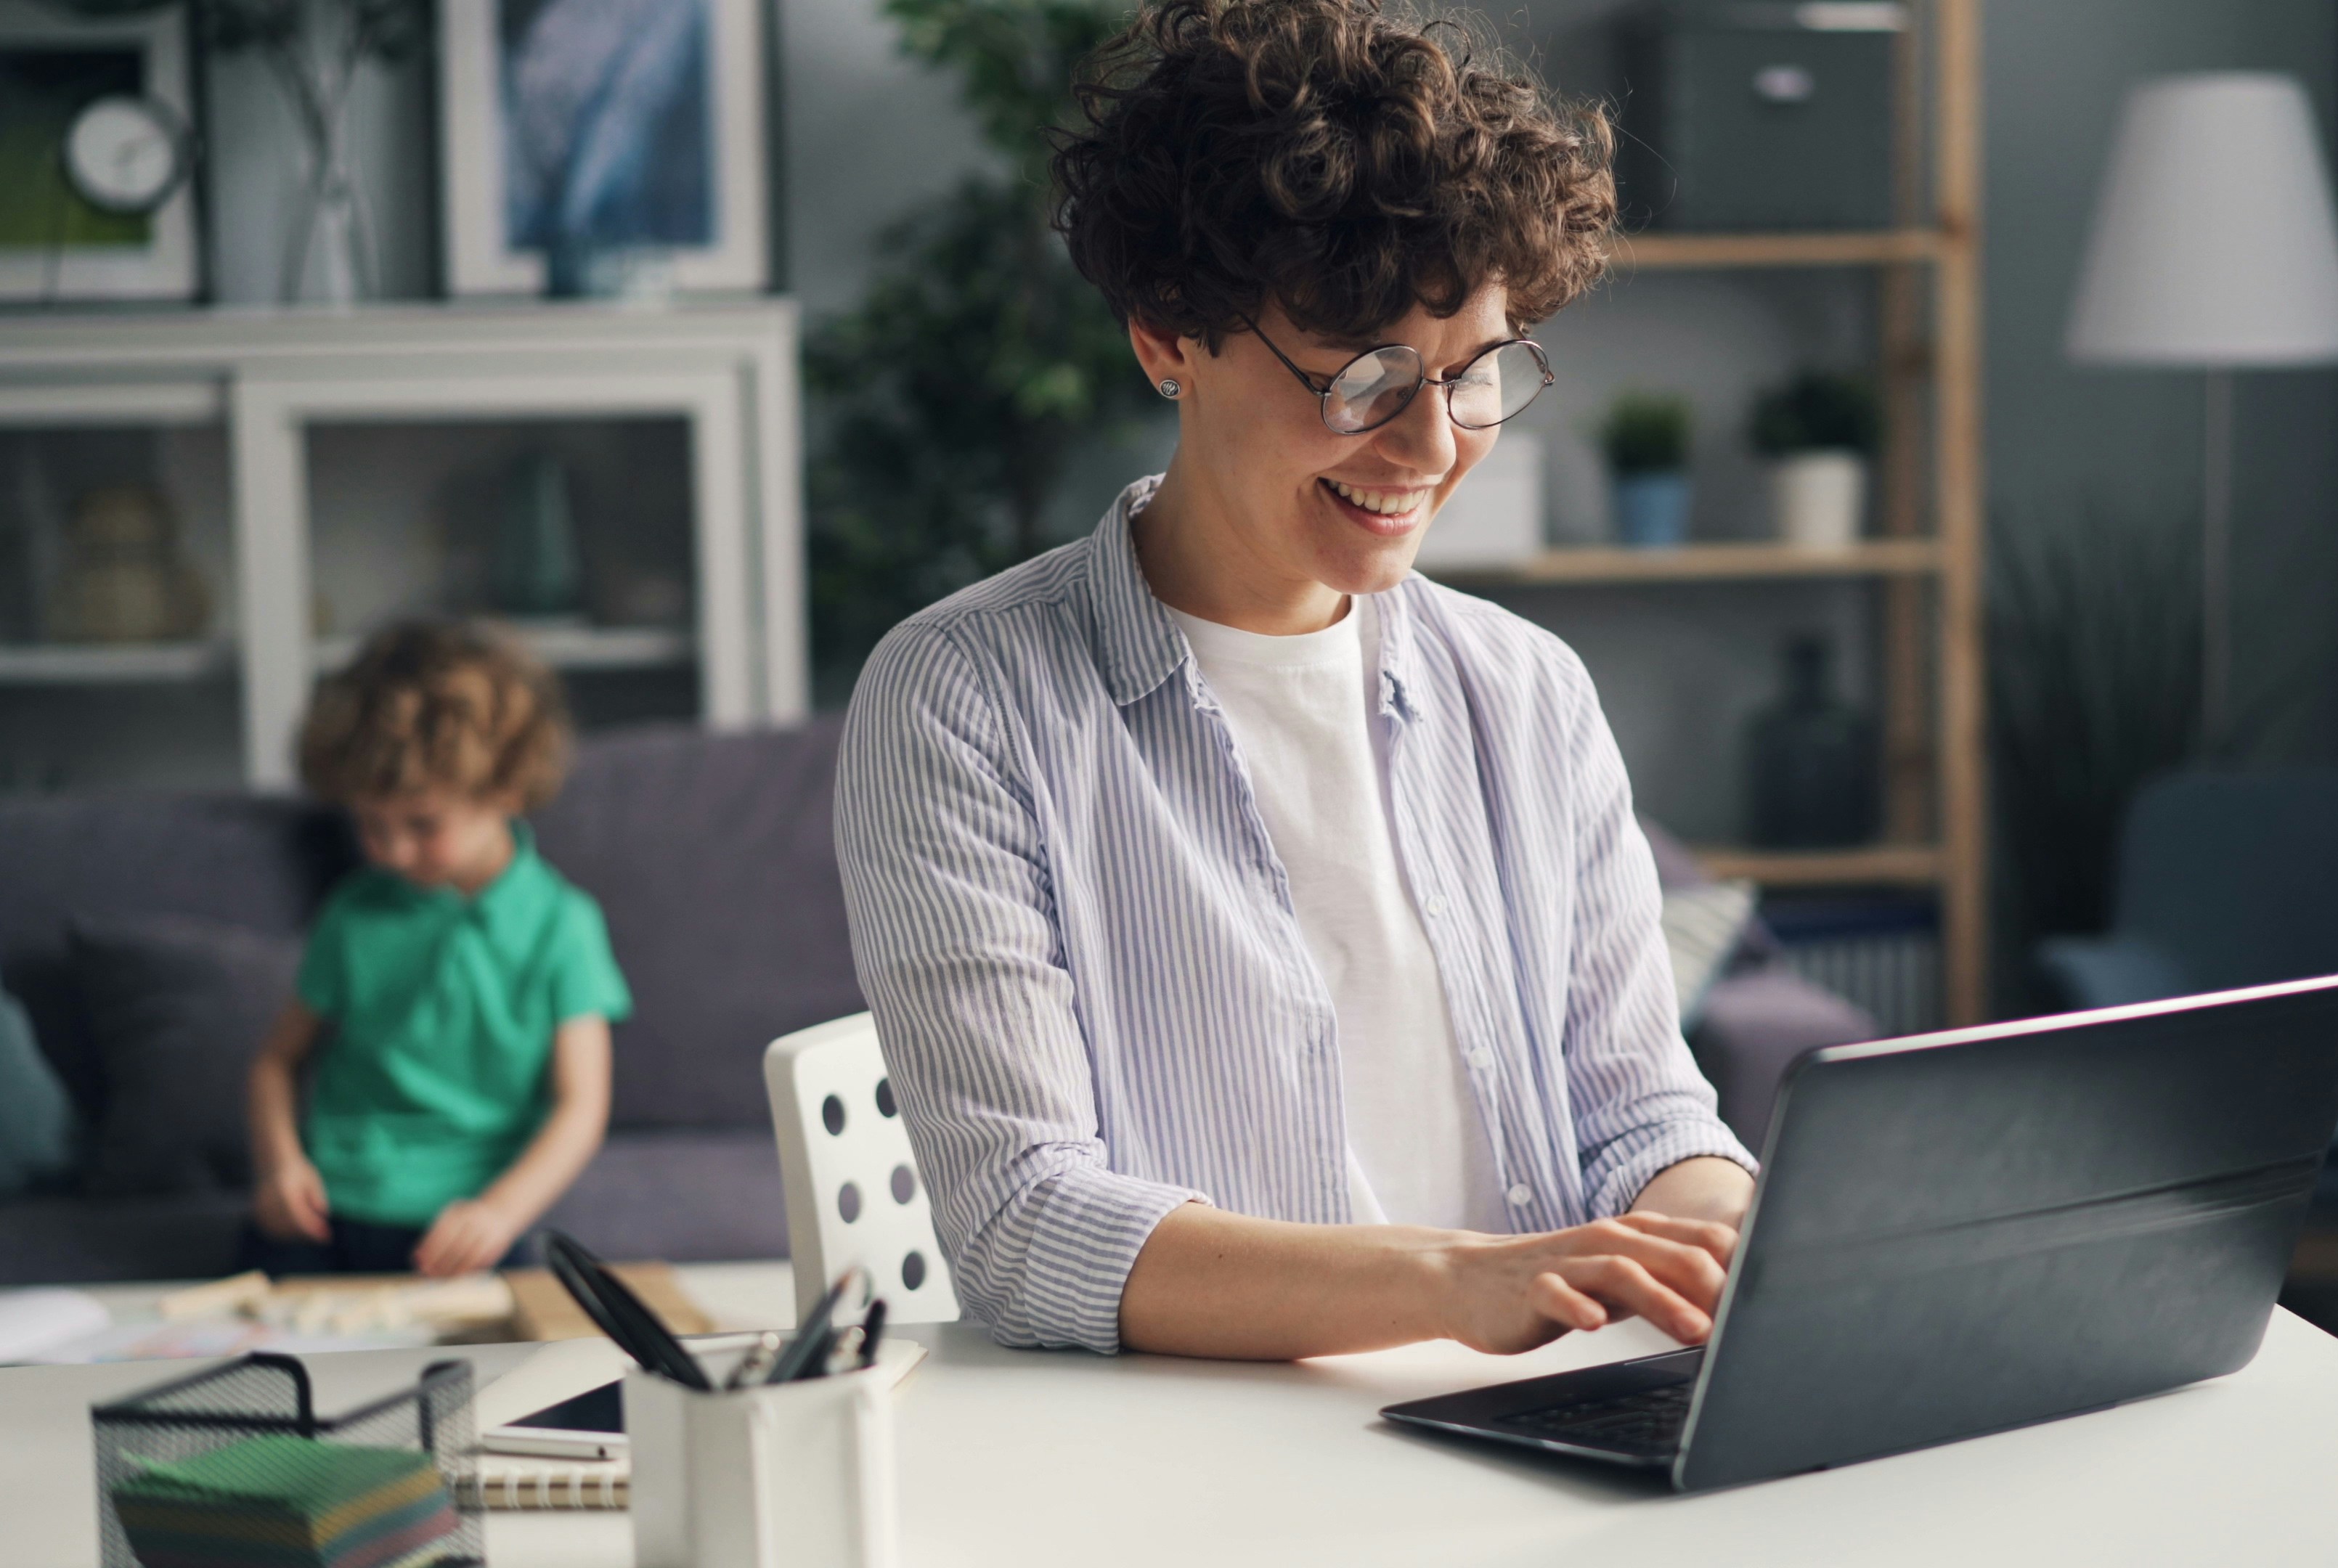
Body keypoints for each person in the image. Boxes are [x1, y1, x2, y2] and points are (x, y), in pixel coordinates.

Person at [836, 0, 1755, 1360]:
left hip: (1555, 1421)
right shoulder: (965, 699)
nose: (1433, 446)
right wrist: (1455, 1284)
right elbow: (1028, 1227)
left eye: (1476, 373)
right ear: (1168, 338)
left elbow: (1641, 1119)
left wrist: (1721, 1233)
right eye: (1366, 376)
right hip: (1205, 1465)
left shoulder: (1527, 689)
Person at [243, 621, 632, 1278]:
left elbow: (581, 1105)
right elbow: (274, 1065)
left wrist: (501, 1211)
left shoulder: (563, 925)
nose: (391, 851)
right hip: (323, 1217)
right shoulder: (351, 912)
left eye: (422, 825)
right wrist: (282, 1167)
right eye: (370, 823)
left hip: (465, 1229)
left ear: (506, 789)